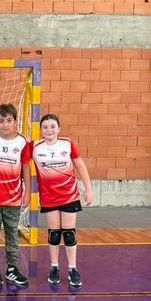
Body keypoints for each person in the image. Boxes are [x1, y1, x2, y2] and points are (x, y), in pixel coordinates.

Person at [30, 113, 93, 288]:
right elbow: (18, 159)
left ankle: (72, 269)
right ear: (40, 130)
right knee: (54, 234)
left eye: (52, 126)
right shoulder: (34, 147)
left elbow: (80, 165)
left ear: (59, 129)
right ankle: (54, 267)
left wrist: (88, 189)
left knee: (69, 234)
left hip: (69, 196)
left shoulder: (67, 144)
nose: (49, 130)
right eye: (45, 127)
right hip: (49, 197)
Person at [0, 103, 31, 286]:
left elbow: (25, 167)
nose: (5, 124)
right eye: (1, 120)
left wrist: (28, 191)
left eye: (9, 120)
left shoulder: (22, 142)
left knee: (12, 234)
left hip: (13, 198)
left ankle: (12, 269)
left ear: (15, 121)